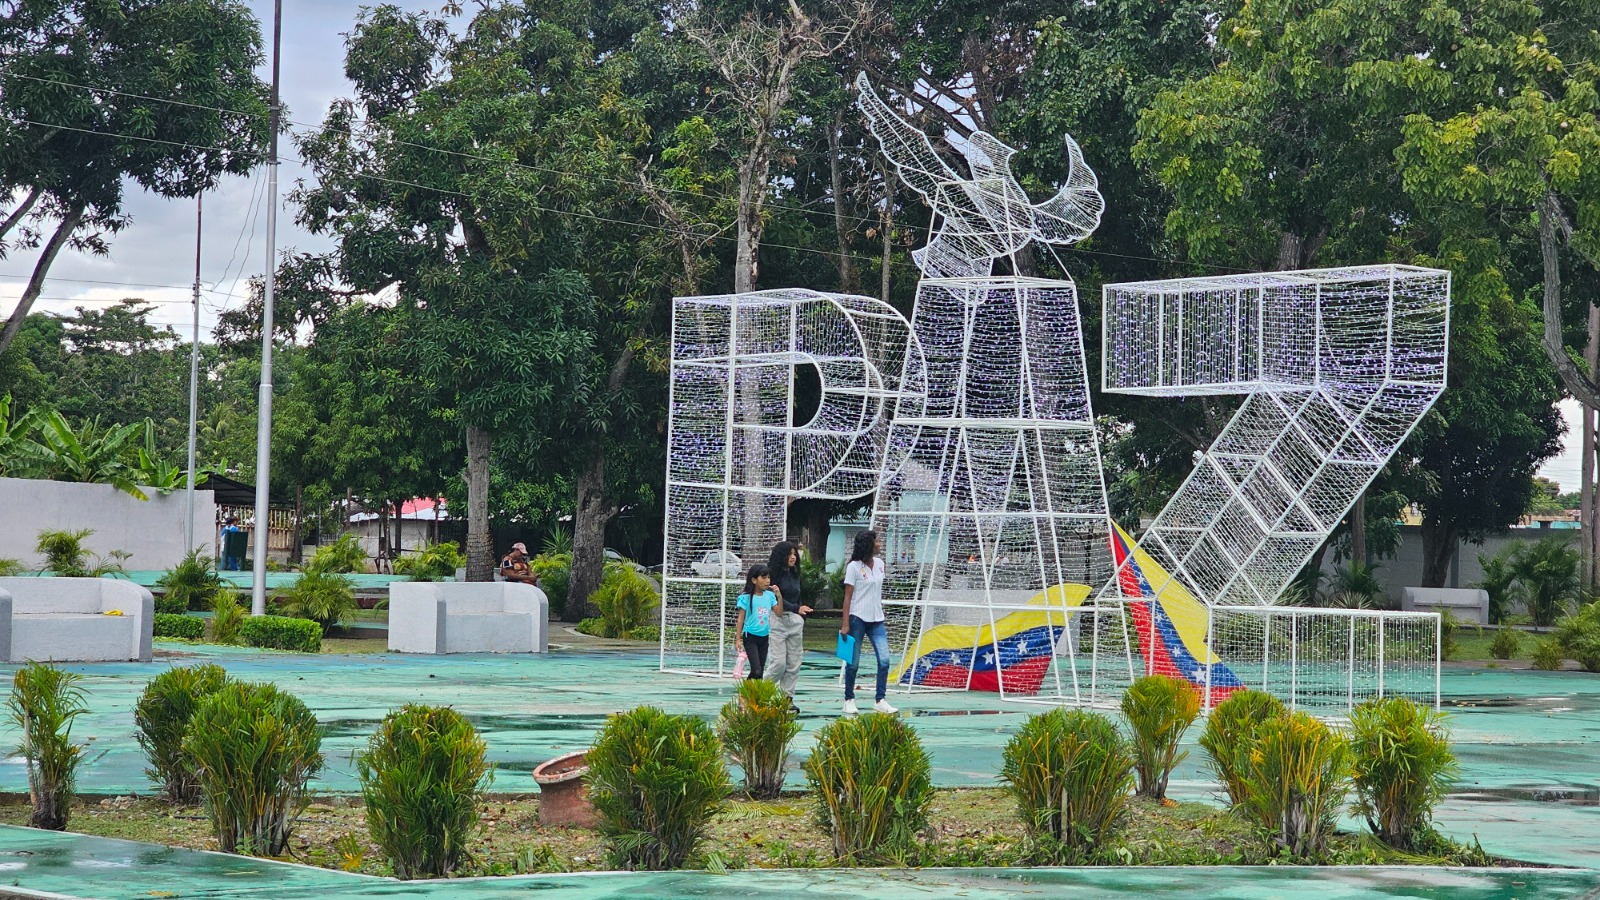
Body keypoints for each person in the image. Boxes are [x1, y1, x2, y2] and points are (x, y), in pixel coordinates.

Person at [839, 529, 896, 715]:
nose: (879, 544)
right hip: (857, 618)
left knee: (885, 659)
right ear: (868, 545)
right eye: (876, 541)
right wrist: (845, 623)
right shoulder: (853, 567)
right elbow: (847, 597)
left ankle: (880, 700)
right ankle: (849, 699)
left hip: (877, 619)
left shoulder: (880, 564)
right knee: (853, 663)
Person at [765, 541, 813, 700]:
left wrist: (800, 615)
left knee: (793, 664)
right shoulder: (771, 575)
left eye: (794, 554)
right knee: (778, 664)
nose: (793, 557)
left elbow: (797, 596)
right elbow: (773, 598)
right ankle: (757, 694)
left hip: (794, 621)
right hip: (777, 620)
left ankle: (787, 699)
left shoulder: (795, 574)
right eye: (789, 554)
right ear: (781, 556)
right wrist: (796, 608)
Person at [734, 563, 778, 680]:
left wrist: (779, 596)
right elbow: (740, 618)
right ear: (754, 580)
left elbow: (779, 612)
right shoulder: (746, 597)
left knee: (760, 671)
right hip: (750, 637)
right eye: (763, 578)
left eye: (768, 577)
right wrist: (738, 639)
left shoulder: (770, 595)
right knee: (756, 669)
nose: (767, 581)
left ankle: (752, 690)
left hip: (764, 637)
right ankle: (746, 688)